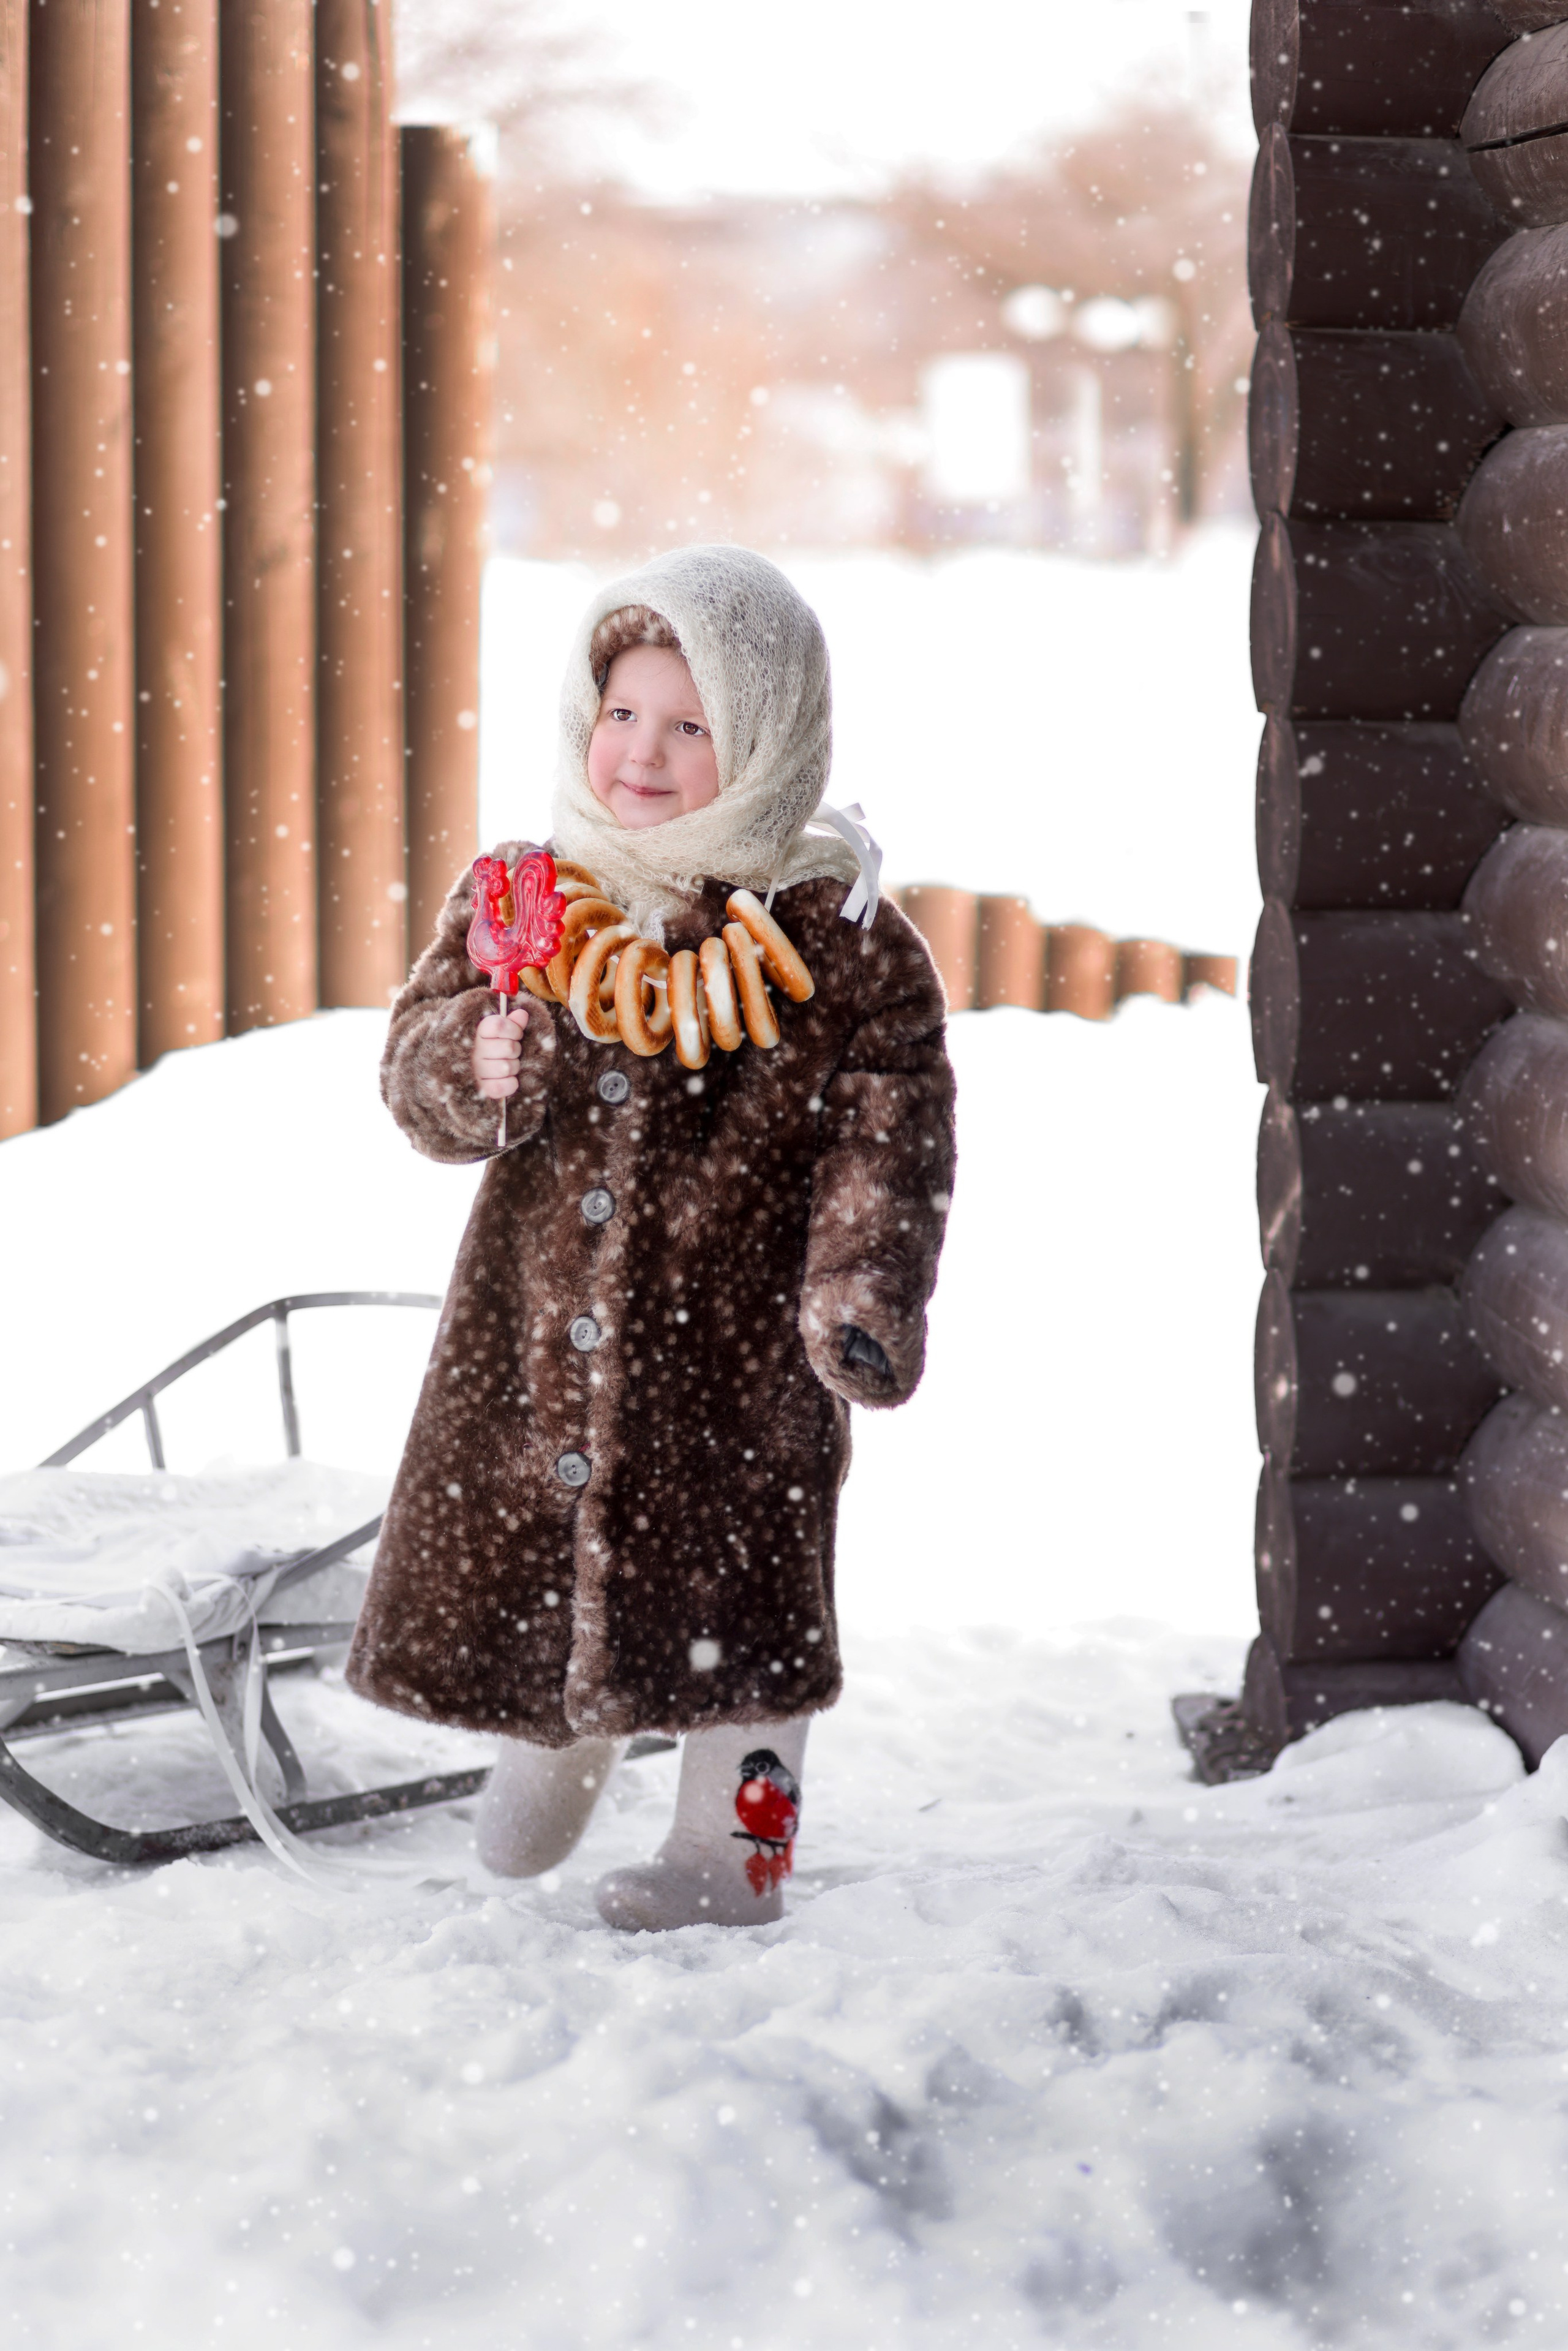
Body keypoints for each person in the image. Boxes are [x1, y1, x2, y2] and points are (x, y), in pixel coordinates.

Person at [346, 546, 956, 1930]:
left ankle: (736, 1852)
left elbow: (891, 1138)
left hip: (741, 1357)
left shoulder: (837, 940)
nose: (643, 751)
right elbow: (414, 1071)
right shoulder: (530, 900)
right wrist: (471, 1059)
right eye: (622, 711)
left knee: (749, 1613)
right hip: (538, 1333)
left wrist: (860, 1289)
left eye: (691, 725)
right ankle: (553, 1743)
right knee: (546, 1548)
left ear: (767, 738)